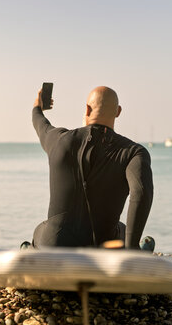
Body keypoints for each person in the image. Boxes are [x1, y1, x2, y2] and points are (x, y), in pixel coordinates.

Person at [31, 86, 153, 249]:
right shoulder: (134, 152)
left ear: (87, 109)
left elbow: (41, 124)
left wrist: (37, 107)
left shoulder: (58, 139)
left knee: (42, 229)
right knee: (122, 229)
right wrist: (132, 248)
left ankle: (29, 250)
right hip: (103, 246)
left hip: (55, 245)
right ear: (118, 112)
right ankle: (137, 248)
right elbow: (141, 193)